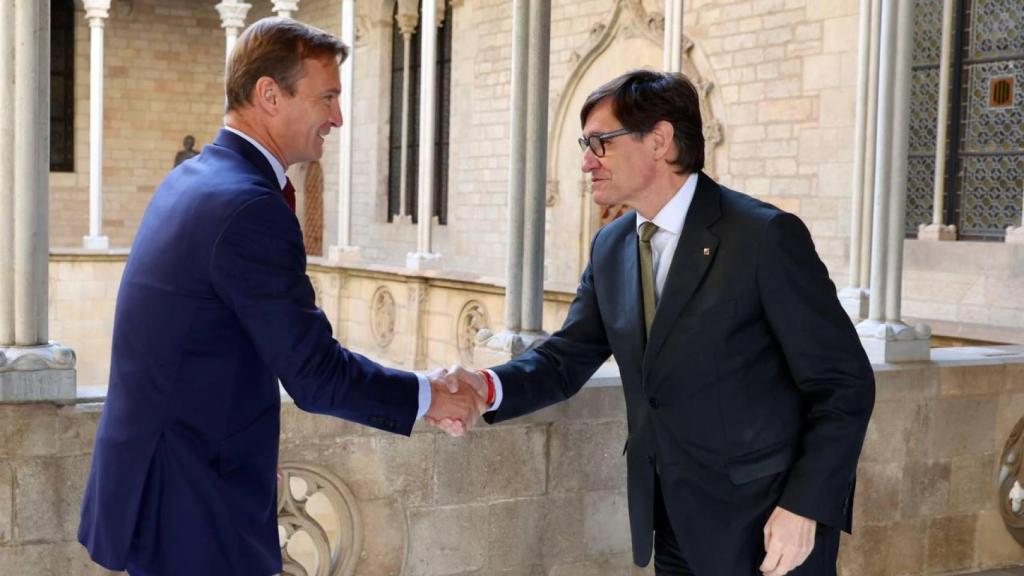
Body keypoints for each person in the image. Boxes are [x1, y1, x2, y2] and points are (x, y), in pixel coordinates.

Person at [77, 18, 482, 576]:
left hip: (166, 487)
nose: (337, 117)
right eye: (328, 97)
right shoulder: (248, 208)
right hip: (195, 506)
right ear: (270, 94)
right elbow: (315, 375)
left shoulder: (194, 179)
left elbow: (202, 348)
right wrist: (429, 394)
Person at [443, 70, 875, 576]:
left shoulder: (764, 238)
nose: (586, 161)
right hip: (668, 521)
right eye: (586, 145)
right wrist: (487, 386)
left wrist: (805, 508)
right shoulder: (612, 245)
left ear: (660, 140)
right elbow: (567, 357)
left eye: (599, 143)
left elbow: (844, 384)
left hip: (768, 529)